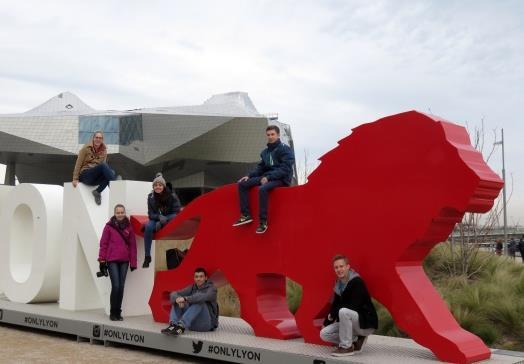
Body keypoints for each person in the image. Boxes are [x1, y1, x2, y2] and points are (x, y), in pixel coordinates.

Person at [232, 125, 295, 234]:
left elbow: (285, 169)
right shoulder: (265, 152)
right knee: (243, 184)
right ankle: (246, 215)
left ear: (278, 135)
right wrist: (250, 176)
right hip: (267, 176)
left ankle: (263, 222)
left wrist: (269, 177)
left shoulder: (285, 149)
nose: (270, 137)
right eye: (268, 135)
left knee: (263, 189)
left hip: (281, 179)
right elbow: (261, 168)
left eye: (272, 134)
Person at [320, 254, 378, 357]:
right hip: (350, 322)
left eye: (341, 266)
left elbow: (352, 306)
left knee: (343, 311)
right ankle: (356, 339)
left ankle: (347, 347)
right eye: (336, 267)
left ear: (348, 266)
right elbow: (335, 304)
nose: (339, 269)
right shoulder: (338, 284)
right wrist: (327, 321)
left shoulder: (357, 282)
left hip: (364, 323)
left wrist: (332, 314)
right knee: (324, 334)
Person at [98, 204, 137, 321]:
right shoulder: (108, 227)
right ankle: (112, 312)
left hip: (124, 261)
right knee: (116, 286)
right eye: (118, 212)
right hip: (112, 260)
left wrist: (133, 262)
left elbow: (133, 246)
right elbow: (103, 244)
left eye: (122, 212)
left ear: (124, 213)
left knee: (121, 287)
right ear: (114, 214)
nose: (120, 214)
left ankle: (118, 312)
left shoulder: (129, 227)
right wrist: (101, 260)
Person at [161, 267, 219, 335]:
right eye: (196, 277)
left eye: (201, 277)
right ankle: (173, 325)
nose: (198, 279)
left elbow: (203, 297)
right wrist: (177, 299)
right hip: (191, 324)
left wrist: (185, 299)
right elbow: (174, 293)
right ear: (194, 278)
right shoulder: (192, 287)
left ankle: (181, 326)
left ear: (206, 278)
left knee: (199, 301)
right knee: (177, 300)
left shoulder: (212, 289)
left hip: (206, 325)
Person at [142, 173, 181, 268]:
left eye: (159, 185)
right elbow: (150, 214)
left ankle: (161, 224)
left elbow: (177, 211)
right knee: (148, 227)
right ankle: (147, 256)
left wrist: (164, 219)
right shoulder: (151, 197)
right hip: (156, 218)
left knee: (174, 217)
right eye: (155, 185)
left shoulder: (171, 195)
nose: (157, 187)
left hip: (170, 216)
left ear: (163, 186)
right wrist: (159, 217)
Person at [72, 130, 117, 205]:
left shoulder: (104, 151)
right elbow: (78, 163)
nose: (98, 139)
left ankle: (97, 192)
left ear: (102, 140)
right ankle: (116, 186)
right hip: (85, 175)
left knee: (111, 172)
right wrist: (75, 178)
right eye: (96, 137)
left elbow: (105, 169)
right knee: (104, 166)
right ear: (93, 138)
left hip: (95, 178)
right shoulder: (85, 148)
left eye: (100, 138)